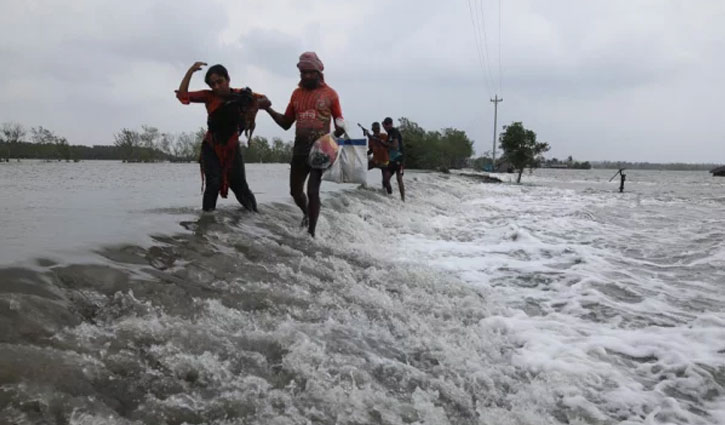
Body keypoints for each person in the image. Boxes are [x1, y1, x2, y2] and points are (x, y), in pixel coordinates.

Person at [262, 52, 345, 237]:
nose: (307, 76)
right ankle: (307, 214)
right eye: (303, 73)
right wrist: (267, 108)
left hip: (321, 149)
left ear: (318, 72)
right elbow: (285, 123)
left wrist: (340, 129)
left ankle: (311, 234)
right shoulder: (296, 94)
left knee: (312, 190)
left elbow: (339, 119)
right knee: (295, 192)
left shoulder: (330, 94)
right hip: (300, 148)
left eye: (311, 72)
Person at [176, 62, 269, 212]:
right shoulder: (209, 96)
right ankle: (206, 222)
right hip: (211, 146)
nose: (217, 87)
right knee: (213, 183)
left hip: (232, 147)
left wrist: (252, 101)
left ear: (228, 79)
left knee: (240, 186)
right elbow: (182, 96)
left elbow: (267, 101)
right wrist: (190, 72)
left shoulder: (240, 94)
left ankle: (255, 217)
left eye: (220, 81)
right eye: (213, 84)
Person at [362, 122, 394, 194]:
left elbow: (387, 145)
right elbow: (371, 150)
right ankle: (362, 187)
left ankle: (389, 196)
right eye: (374, 128)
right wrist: (363, 154)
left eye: (377, 128)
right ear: (372, 129)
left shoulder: (384, 136)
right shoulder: (371, 138)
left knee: (386, 181)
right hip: (375, 161)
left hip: (385, 161)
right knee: (362, 169)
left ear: (379, 129)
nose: (376, 129)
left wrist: (371, 137)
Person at [382, 117, 405, 201]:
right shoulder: (389, 133)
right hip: (392, 159)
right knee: (385, 180)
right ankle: (390, 197)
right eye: (385, 125)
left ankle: (403, 199)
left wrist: (386, 144)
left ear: (391, 124)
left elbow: (395, 146)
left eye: (388, 125)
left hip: (398, 158)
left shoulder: (394, 132)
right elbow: (389, 146)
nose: (386, 127)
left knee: (399, 179)